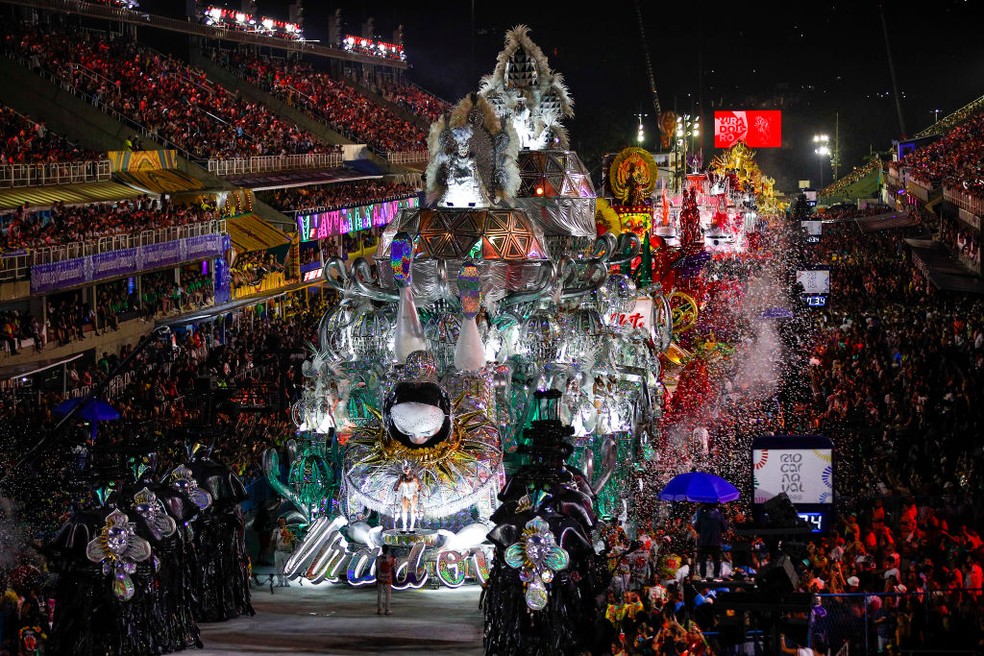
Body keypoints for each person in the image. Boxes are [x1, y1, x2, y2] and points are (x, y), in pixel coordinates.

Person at [692, 502, 728, 580]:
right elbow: (725, 528)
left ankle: (703, 577)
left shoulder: (702, 516)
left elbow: (696, 528)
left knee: (703, 560)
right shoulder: (719, 515)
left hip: (704, 541)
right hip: (716, 541)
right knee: (717, 560)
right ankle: (716, 576)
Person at [393, 464, 421, 533]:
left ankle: (412, 527)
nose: (406, 470)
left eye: (407, 469)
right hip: (405, 495)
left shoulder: (414, 478)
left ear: (409, 469)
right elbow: (398, 486)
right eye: (404, 469)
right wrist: (396, 489)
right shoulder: (402, 478)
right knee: (404, 511)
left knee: (413, 511)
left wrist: (419, 490)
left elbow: (418, 486)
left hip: (413, 495)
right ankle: (404, 527)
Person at [272, 516, 296, 587]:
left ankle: (286, 581)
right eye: (280, 522)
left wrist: (294, 550)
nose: (281, 523)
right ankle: (280, 581)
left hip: (287, 551)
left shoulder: (289, 530)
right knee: (278, 567)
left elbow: (293, 540)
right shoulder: (276, 531)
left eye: (283, 521)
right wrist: (271, 549)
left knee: (286, 567)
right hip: (278, 551)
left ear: (285, 522)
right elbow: (273, 540)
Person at [376, 545, 395, 615]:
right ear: (388, 550)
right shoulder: (391, 559)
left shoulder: (378, 558)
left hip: (380, 577)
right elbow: (392, 569)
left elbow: (377, 569)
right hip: (388, 578)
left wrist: (376, 578)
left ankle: (379, 609)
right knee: (388, 595)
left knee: (380, 594)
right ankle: (387, 609)